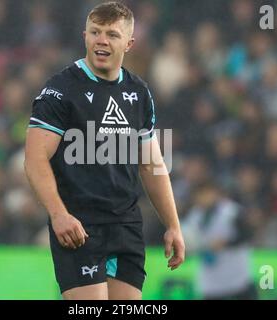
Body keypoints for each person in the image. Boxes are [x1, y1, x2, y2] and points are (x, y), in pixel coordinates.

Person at [24, 2, 184, 300]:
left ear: (129, 43)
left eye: (111, 34)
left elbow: (151, 164)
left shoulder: (138, 92)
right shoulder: (60, 90)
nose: (101, 40)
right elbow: (35, 160)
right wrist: (59, 215)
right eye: (95, 32)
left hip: (126, 227)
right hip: (79, 227)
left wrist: (173, 225)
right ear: (85, 35)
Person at [181, 180, 257, 300]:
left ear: (215, 193)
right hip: (211, 279)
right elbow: (190, 243)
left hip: (237, 276)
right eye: (199, 195)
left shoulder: (232, 212)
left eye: (206, 193)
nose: (203, 198)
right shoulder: (194, 216)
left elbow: (247, 235)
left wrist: (226, 243)